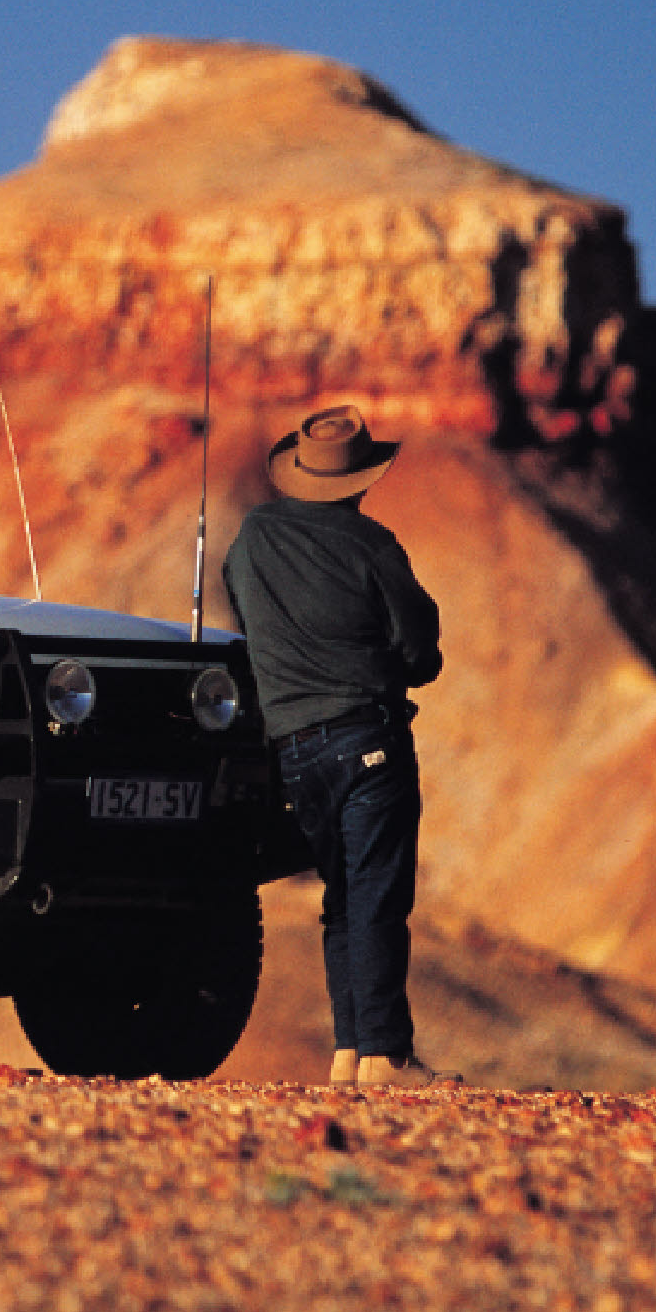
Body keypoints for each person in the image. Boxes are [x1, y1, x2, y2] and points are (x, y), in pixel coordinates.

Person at [222, 405, 457, 1089]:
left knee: (340, 896)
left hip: (293, 750)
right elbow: (421, 649)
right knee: (377, 892)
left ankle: (350, 1052)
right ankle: (386, 1052)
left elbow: (248, 614)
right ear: (361, 479)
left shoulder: (252, 538)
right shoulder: (372, 546)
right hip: (367, 740)